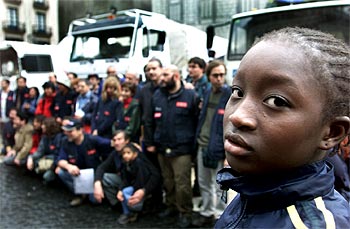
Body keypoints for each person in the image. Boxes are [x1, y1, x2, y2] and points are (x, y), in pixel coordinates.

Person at [215, 27, 350, 228]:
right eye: (238, 92)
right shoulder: (255, 191)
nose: (238, 116)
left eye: (276, 101)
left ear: (331, 132)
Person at [145, 65, 199, 228]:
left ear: (175, 76)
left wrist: (193, 146)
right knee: (168, 181)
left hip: (181, 149)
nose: (161, 79)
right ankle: (171, 206)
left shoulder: (190, 95)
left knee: (182, 183)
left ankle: (185, 213)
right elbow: (150, 121)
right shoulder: (158, 96)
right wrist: (151, 142)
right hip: (162, 147)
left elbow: (197, 121)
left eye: (165, 75)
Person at [192, 60, 231, 227]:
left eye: (222, 75)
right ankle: (207, 212)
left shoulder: (229, 94)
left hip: (218, 148)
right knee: (203, 183)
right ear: (208, 77)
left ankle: (221, 215)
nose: (219, 78)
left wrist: (228, 154)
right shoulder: (207, 92)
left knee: (220, 185)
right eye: (215, 75)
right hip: (202, 144)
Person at [56, 118, 112, 207]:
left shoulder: (92, 140)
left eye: (70, 131)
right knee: (61, 172)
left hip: (94, 174)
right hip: (78, 174)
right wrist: (69, 166)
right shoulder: (65, 142)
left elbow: (111, 143)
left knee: (95, 201)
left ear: (80, 130)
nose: (67, 134)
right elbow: (60, 160)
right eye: (66, 131)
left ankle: (91, 193)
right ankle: (80, 194)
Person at [138, 58, 164, 211]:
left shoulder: (167, 87)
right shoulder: (144, 90)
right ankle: (155, 200)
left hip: (163, 138)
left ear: (161, 69)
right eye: (148, 69)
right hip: (148, 137)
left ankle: (164, 202)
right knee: (151, 171)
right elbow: (142, 116)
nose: (151, 72)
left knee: (164, 173)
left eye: (154, 68)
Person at [117, 143, 161, 225]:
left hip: (143, 187)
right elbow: (126, 179)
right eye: (124, 153)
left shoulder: (140, 163)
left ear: (135, 154)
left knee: (127, 192)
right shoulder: (126, 163)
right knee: (124, 191)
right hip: (135, 186)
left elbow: (142, 179)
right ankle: (127, 213)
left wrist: (140, 190)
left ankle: (134, 209)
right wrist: (120, 189)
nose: (125, 155)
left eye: (128, 153)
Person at [27, 117, 63, 183]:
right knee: (33, 162)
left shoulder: (59, 138)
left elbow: (58, 154)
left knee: (47, 177)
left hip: (55, 162)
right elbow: (39, 151)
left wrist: (46, 157)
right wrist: (31, 158)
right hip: (46, 159)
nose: (42, 126)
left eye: (44, 125)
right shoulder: (45, 137)